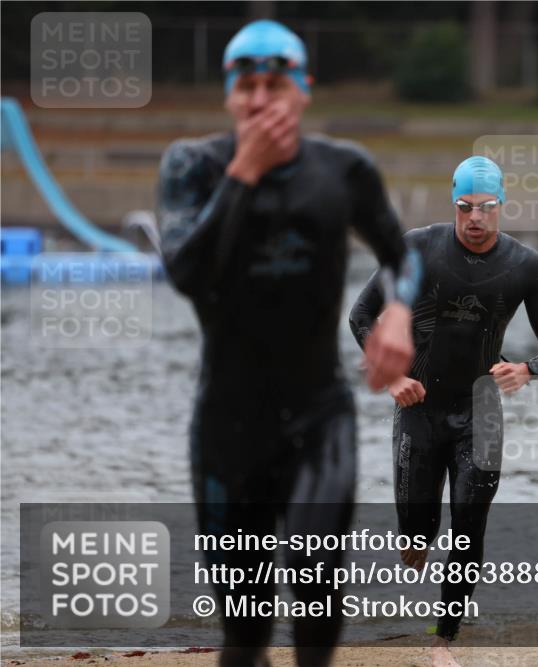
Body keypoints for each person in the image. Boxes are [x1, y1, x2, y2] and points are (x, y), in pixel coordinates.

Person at [157, 19, 420, 667]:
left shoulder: (344, 169)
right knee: (244, 629)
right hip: (227, 424)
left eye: (274, 83)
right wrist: (244, 173)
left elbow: (401, 256)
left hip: (317, 415)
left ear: (303, 90)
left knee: (314, 580)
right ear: (227, 95)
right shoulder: (193, 165)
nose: (258, 99)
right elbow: (187, 272)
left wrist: (399, 313)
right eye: (245, 85)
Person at [349, 156, 538, 667]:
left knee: (470, 527)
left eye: (486, 208)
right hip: (420, 409)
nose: (475, 218)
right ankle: (416, 536)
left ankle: (442, 642)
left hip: (482, 414)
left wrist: (529, 370)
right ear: (455, 205)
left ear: (501, 208)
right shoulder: (418, 247)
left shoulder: (526, 267)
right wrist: (394, 376)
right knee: (415, 536)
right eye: (466, 207)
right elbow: (362, 316)